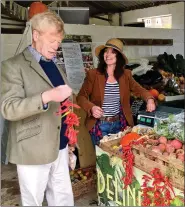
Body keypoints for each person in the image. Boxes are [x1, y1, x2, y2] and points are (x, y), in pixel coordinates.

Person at [1, 11, 74, 206]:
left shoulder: (53, 65)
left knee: (62, 197)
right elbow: (9, 108)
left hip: (60, 144)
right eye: (52, 40)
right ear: (36, 35)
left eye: (58, 42)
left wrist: (71, 138)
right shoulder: (12, 66)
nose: (56, 47)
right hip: (32, 147)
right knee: (33, 200)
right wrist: (46, 96)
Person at [77, 38, 156, 146]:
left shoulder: (125, 75)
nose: (108, 55)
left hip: (120, 124)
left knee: (119, 158)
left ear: (119, 56)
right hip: (100, 124)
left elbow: (140, 89)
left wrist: (150, 99)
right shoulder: (93, 75)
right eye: (106, 51)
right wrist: (91, 107)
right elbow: (81, 97)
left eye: (113, 52)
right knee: (103, 158)